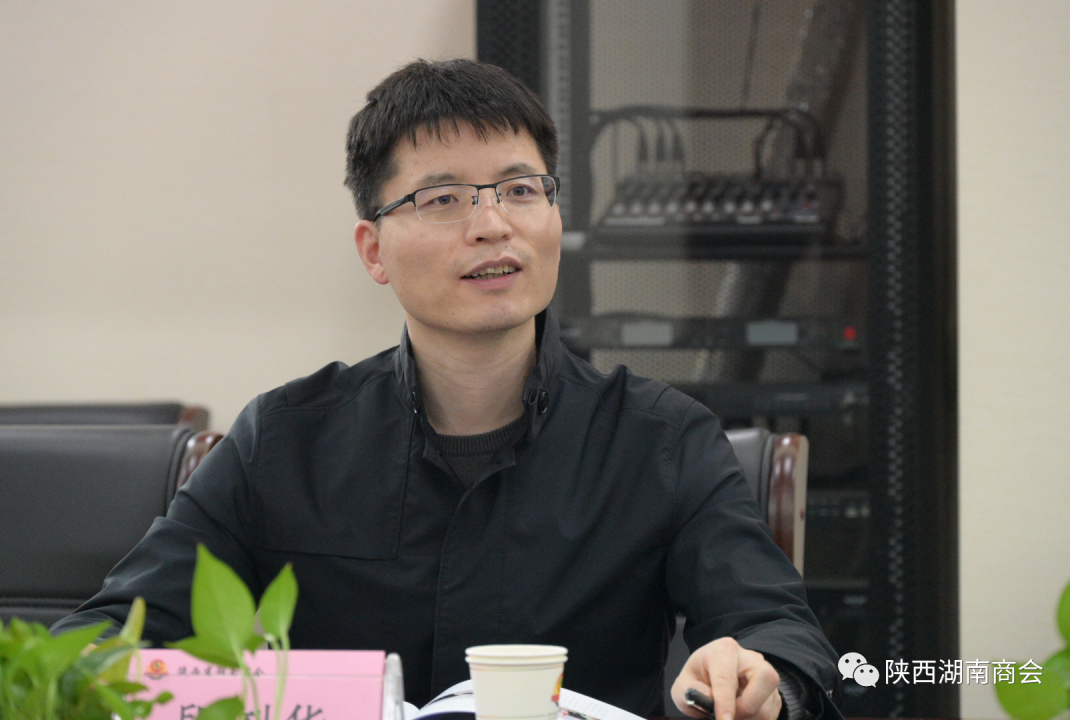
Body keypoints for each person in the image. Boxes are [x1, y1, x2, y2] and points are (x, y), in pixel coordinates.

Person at [52, 59, 842, 720]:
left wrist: (761, 675)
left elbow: (776, 630)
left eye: (521, 189)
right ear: (373, 250)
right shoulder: (286, 439)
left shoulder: (661, 438)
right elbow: (107, 637)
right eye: (443, 199)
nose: (493, 225)